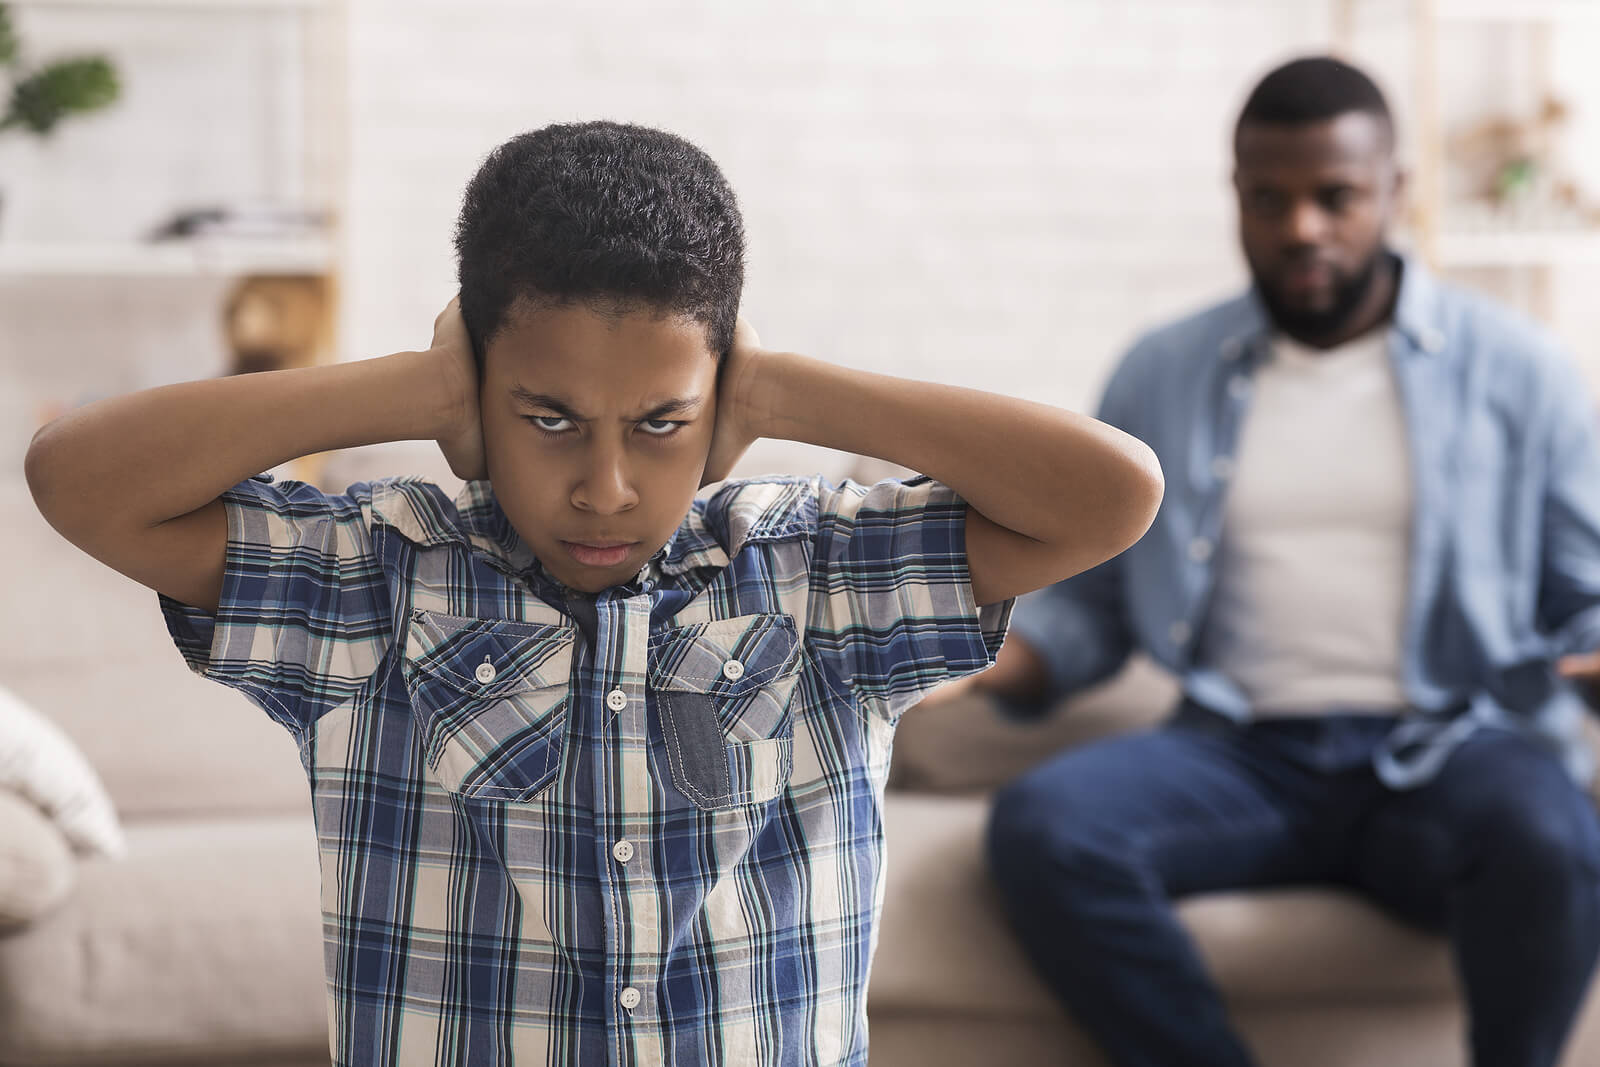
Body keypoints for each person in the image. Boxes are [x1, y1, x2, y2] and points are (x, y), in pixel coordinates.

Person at [23, 121, 1162, 1065]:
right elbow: (76, 477)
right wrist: (417, 385)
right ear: (479, 389)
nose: (606, 488)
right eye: (548, 418)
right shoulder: (377, 580)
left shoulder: (815, 578)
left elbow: (1114, 493)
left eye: (662, 423)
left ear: (717, 402)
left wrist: (781, 387)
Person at [959, 57, 1600, 1067]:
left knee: (1553, 839)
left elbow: (1582, 597)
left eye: (1334, 196)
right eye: (1270, 199)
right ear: (1237, 199)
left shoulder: (1521, 372)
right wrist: (978, 654)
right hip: (1239, 751)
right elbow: (1092, 602)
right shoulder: (1160, 369)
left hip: (1450, 744)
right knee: (1046, 827)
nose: (1302, 226)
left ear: (1395, 193)